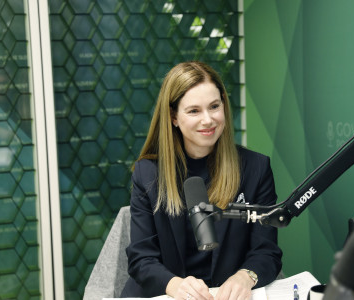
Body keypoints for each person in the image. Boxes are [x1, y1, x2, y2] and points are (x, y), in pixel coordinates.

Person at [120, 61, 282, 299]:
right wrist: (175, 285)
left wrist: (245, 277)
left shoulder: (256, 169)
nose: (208, 120)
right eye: (194, 111)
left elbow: (266, 250)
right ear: (173, 117)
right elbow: (141, 258)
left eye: (214, 106)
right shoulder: (148, 174)